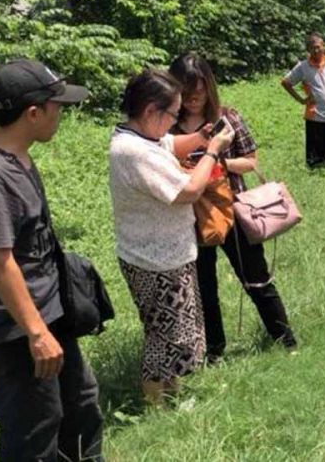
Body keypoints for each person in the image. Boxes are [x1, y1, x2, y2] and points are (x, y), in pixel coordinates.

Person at [0, 60, 104, 460]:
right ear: (34, 113)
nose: (62, 112)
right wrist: (37, 333)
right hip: (19, 330)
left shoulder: (19, 157)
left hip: (50, 313)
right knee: (34, 433)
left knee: (80, 409)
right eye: (57, 105)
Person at [108, 68, 234, 404]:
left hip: (169, 253)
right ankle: (156, 404)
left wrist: (202, 137)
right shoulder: (134, 152)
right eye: (173, 114)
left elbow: (171, 143)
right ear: (151, 110)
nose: (175, 121)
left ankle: (172, 392)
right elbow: (189, 190)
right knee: (163, 334)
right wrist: (213, 151)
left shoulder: (142, 137)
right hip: (154, 260)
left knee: (178, 329)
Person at [170, 53, 297, 361]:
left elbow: (251, 161)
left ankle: (285, 340)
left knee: (256, 278)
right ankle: (214, 351)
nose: (193, 99)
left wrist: (217, 161)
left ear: (209, 87)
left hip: (232, 210)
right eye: (186, 92)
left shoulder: (227, 118)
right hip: (191, 217)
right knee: (203, 288)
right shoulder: (168, 127)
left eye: (199, 91)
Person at [281, 33, 325, 168]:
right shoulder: (303, 66)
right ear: (308, 49)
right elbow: (286, 82)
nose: (316, 50)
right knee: (314, 157)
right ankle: (314, 171)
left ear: (324, 47)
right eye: (312, 48)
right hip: (313, 114)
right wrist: (301, 100)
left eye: (318, 47)